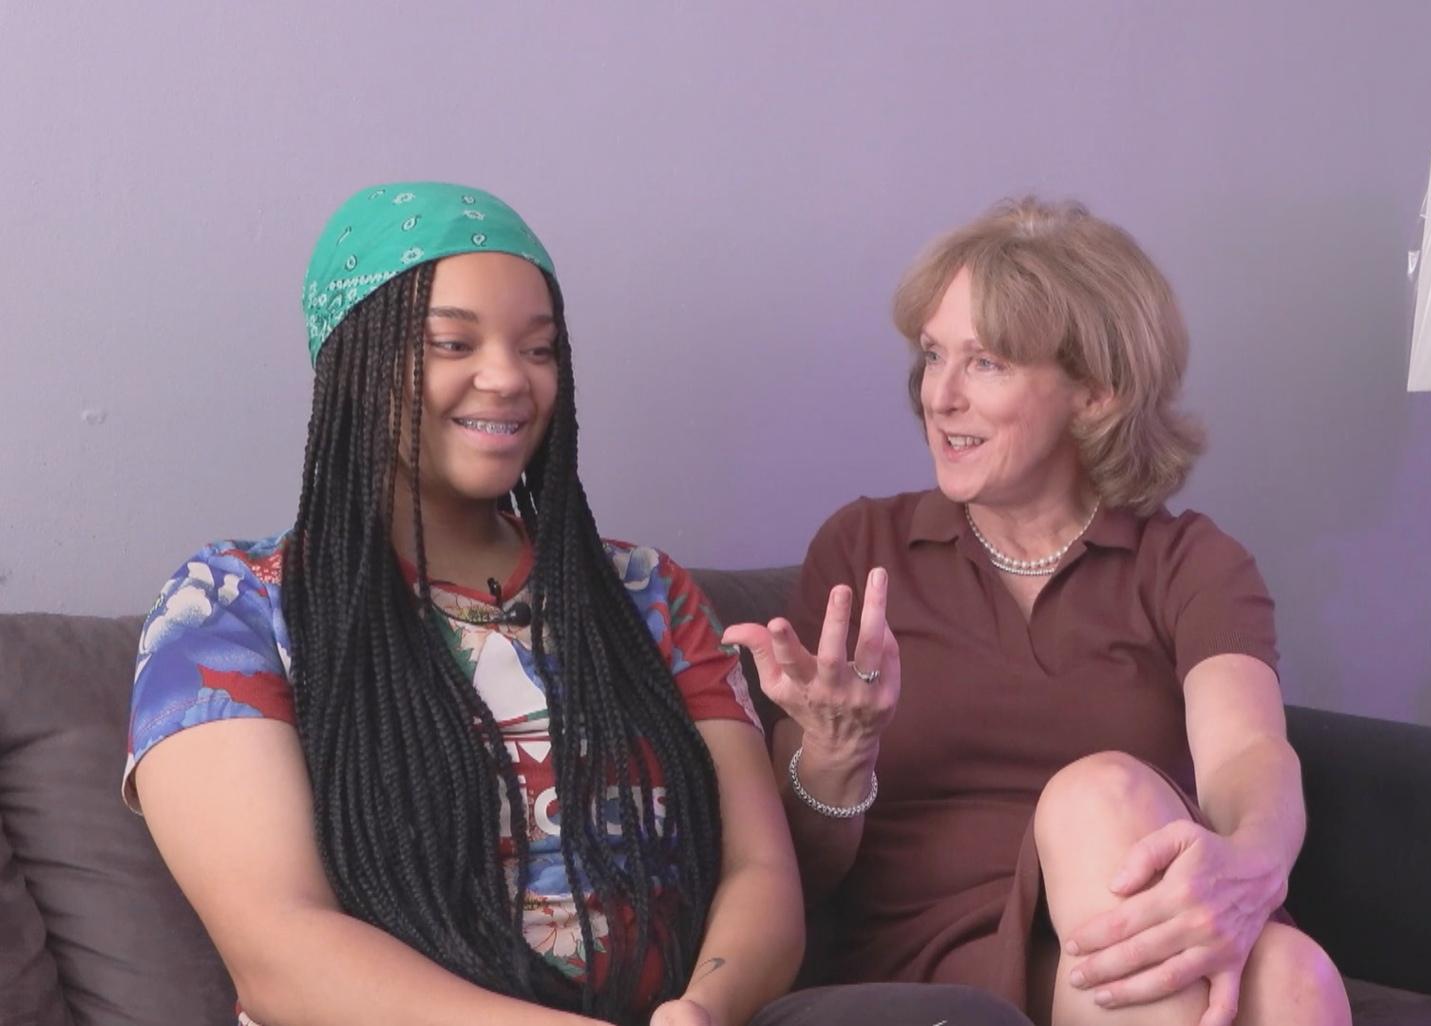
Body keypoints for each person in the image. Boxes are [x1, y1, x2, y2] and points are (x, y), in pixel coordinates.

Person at [125, 182, 1023, 1026]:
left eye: (539, 346)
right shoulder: (232, 609)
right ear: (356, 360)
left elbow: (759, 870)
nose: (509, 377)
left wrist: (702, 1010)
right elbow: (277, 949)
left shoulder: (645, 592)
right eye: (453, 342)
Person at [726, 198, 1351, 1026]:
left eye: (985, 364)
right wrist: (838, 755)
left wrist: (1253, 867)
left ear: (1095, 394)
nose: (938, 398)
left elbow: (1246, 753)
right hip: (938, 957)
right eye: (932, 357)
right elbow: (800, 869)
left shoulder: (1191, 563)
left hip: (1130, 930)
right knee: (1104, 799)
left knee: (1292, 974)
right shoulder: (863, 548)